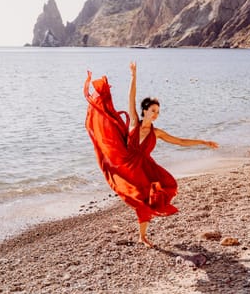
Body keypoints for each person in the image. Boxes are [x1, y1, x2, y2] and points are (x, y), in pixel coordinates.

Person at [84, 61, 218, 247]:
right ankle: (143, 236)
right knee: (139, 200)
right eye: (153, 111)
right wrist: (133, 76)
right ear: (145, 111)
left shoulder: (157, 132)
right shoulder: (134, 125)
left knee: (160, 191)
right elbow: (131, 97)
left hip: (146, 169)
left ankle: (143, 236)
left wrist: (202, 142)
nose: (156, 114)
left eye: (158, 112)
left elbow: (179, 141)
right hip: (126, 166)